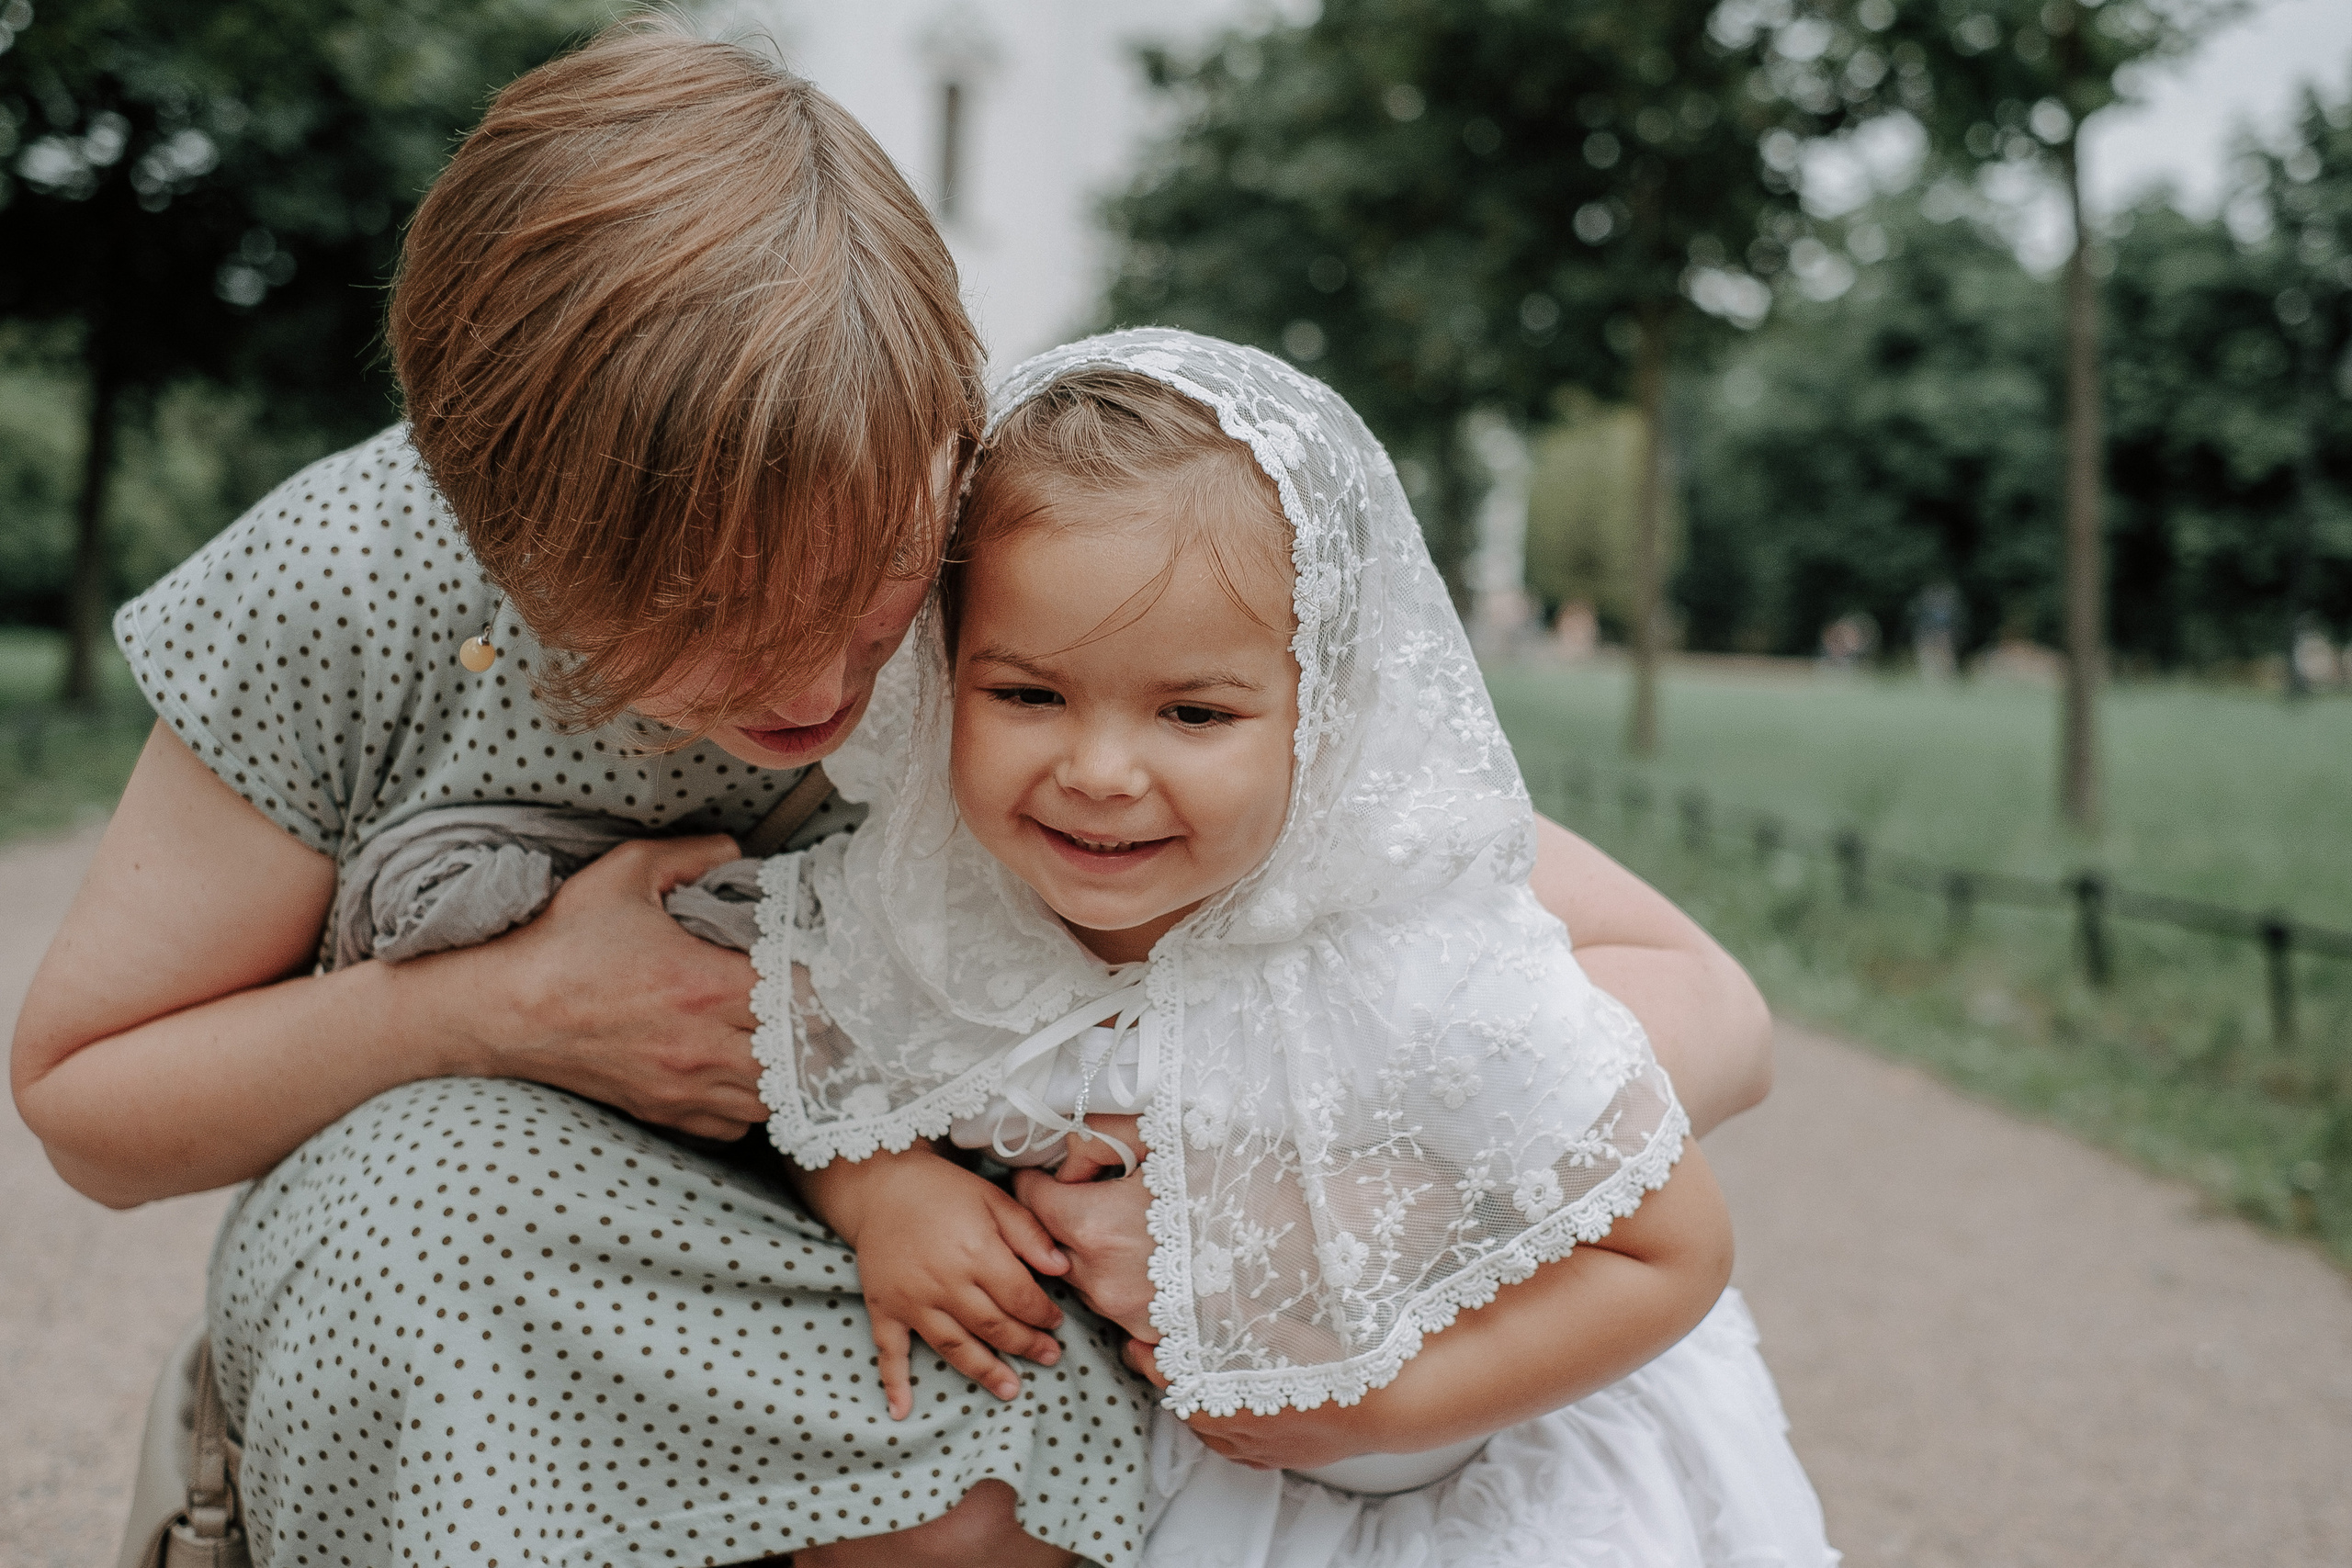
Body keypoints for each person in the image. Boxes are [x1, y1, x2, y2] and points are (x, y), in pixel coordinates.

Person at [7, 24, 1773, 1568]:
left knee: (1008, 1487)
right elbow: (86, 1104)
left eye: (870, 601)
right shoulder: (358, 585)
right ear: (496, 534)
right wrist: (505, 1010)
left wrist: (1252, 1156)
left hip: (962, 1329)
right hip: (527, 1272)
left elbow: (1671, 1002)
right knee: (419, 1205)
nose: (812, 694)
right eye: (694, 634)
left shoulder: (1030, 556)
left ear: (944, 431)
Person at [752, 331, 1836, 1566]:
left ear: (1322, 710)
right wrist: (880, 1190)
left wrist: (1383, 1407)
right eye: (1028, 696)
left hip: (1472, 1464)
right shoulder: (939, 905)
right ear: (945, 678)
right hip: (1203, 1480)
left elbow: (1672, 1249)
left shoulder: (1411, 957)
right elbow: (821, 1050)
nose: (1099, 773)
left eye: (1194, 713)